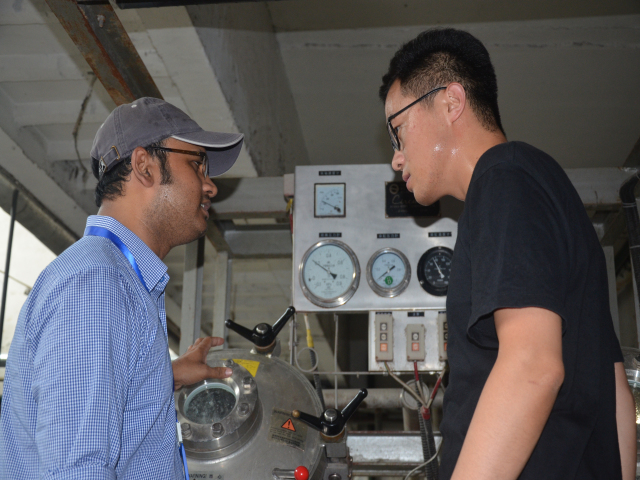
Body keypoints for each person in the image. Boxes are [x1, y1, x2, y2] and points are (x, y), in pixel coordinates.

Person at [379, 28, 636, 480]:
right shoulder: (542, 189)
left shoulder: (503, 178)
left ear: (451, 102)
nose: (396, 158)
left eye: (397, 131)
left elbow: (532, 366)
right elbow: (614, 389)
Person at [0, 97, 244, 479]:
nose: (210, 185)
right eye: (197, 164)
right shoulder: (98, 286)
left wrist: (165, 375)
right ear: (144, 166)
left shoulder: (118, 280)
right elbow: (77, 470)